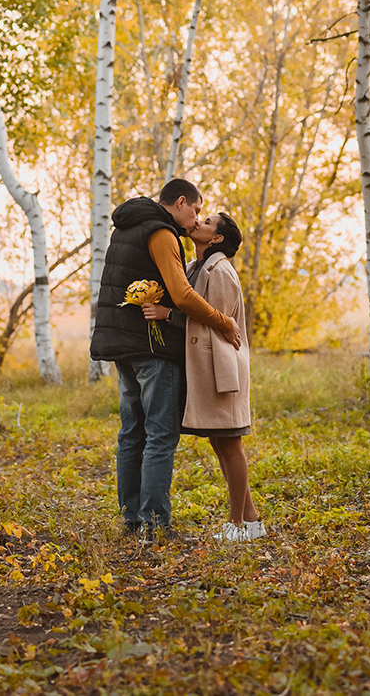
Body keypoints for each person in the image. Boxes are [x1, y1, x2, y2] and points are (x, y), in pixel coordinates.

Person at [89, 178, 241, 539]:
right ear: (182, 202)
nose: (196, 218)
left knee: (131, 434)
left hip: (120, 344)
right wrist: (223, 322)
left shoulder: (126, 227)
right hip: (151, 349)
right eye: (197, 211)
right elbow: (183, 294)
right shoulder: (161, 233)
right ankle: (155, 525)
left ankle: (132, 521)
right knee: (159, 435)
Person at [142, 210, 264, 542]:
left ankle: (236, 526)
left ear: (217, 238)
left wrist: (168, 315)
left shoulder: (221, 270)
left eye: (207, 222)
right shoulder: (196, 268)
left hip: (223, 369)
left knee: (230, 444)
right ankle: (252, 521)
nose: (198, 223)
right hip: (206, 369)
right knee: (220, 442)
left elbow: (217, 322)